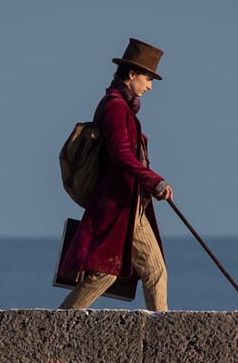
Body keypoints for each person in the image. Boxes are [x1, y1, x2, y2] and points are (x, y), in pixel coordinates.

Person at [58, 38, 173, 311]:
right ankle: (57, 325)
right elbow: (122, 154)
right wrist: (154, 181)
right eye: (147, 78)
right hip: (119, 205)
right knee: (116, 273)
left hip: (129, 204)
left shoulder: (119, 106)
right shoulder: (114, 107)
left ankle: (161, 336)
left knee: (137, 272)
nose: (149, 86)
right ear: (131, 75)